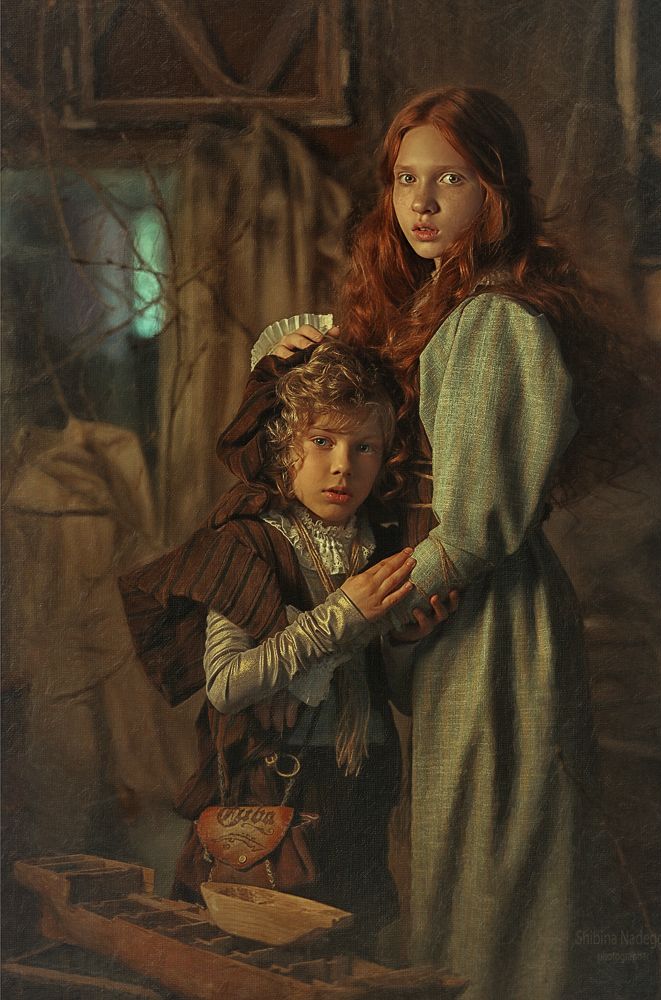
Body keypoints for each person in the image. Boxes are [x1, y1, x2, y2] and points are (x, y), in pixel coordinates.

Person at [255, 88, 657, 998]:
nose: (423, 203)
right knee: (457, 866)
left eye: (451, 179)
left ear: (496, 190)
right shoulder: (439, 309)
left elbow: (475, 527)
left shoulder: (494, 320)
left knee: (495, 878)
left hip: (496, 628)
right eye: (406, 179)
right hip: (453, 619)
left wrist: (360, 611)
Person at [120, 339, 455, 952]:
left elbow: (398, 699)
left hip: (358, 784)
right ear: (284, 446)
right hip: (273, 791)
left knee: (350, 952)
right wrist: (341, 617)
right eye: (322, 440)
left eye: (364, 447)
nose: (342, 466)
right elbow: (226, 686)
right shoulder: (252, 545)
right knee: (262, 956)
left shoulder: (382, 548)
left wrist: (405, 643)